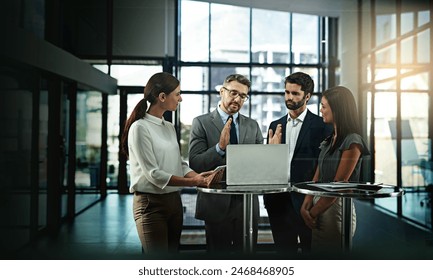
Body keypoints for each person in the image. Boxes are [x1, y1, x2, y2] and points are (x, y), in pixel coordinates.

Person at [120, 72, 220, 255]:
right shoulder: (140, 128)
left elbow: (179, 164)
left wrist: (197, 176)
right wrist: (193, 182)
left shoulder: (168, 126)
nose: (180, 99)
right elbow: (153, 174)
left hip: (174, 201)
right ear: (162, 97)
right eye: (177, 94)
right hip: (150, 204)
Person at [188, 73, 264, 254]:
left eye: (243, 96)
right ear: (222, 92)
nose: (237, 99)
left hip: (247, 204)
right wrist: (220, 148)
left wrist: (271, 152)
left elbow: (261, 165)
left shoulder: (252, 125)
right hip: (216, 204)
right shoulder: (201, 123)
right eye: (233, 93)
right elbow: (195, 163)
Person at [264, 72, 333, 255]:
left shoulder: (323, 126)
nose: (289, 97)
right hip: (278, 201)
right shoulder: (274, 125)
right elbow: (268, 167)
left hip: (307, 202)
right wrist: (271, 151)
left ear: (307, 96)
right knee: (284, 254)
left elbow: (323, 166)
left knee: (311, 254)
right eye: (287, 92)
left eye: (295, 94)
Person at [300, 85, 370, 253]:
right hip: (319, 204)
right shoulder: (330, 139)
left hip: (335, 209)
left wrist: (313, 213)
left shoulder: (353, 141)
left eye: (324, 106)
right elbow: (318, 174)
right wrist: (306, 206)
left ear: (337, 110)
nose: (320, 110)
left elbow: (339, 183)